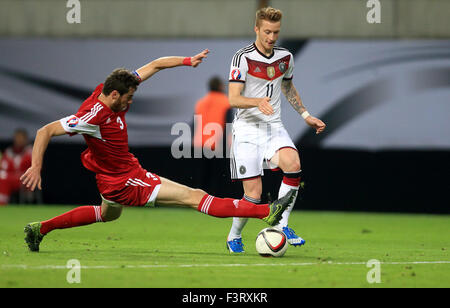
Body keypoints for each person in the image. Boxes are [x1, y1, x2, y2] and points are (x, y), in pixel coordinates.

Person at [21, 49, 296, 252]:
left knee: (107, 214)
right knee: (194, 196)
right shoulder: (92, 117)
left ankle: (40, 229)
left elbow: (155, 65)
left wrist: (187, 61)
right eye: (129, 97)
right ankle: (266, 212)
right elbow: (44, 131)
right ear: (115, 95)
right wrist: (35, 167)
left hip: (114, 176)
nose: (131, 100)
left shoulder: (109, 91)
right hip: (125, 181)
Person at [226, 7, 326, 253]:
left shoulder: (285, 57)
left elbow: (288, 87)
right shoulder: (242, 57)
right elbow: (233, 98)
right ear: (257, 29)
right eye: (267, 32)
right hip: (247, 129)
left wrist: (305, 114)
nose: (271, 37)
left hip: (273, 127)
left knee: (293, 164)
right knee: (253, 196)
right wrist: (256, 101)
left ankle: (282, 222)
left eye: (276, 32)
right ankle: (234, 235)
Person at [193, 76, 232, 194]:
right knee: (220, 177)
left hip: (200, 144)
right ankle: (216, 203)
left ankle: (199, 202)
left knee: (203, 177)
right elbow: (228, 122)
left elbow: (194, 123)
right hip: (219, 144)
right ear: (220, 86)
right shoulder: (225, 101)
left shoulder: (200, 102)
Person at [0, 129, 32, 205]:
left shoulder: (31, 151)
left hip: (26, 179)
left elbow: (33, 167)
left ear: (26, 139)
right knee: (2, 176)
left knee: (4, 177)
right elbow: (4, 167)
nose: (19, 140)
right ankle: (2, 202)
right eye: (17, 138)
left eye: (21, 138)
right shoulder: (9, 152)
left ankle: (2, 202)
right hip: (10, 179)